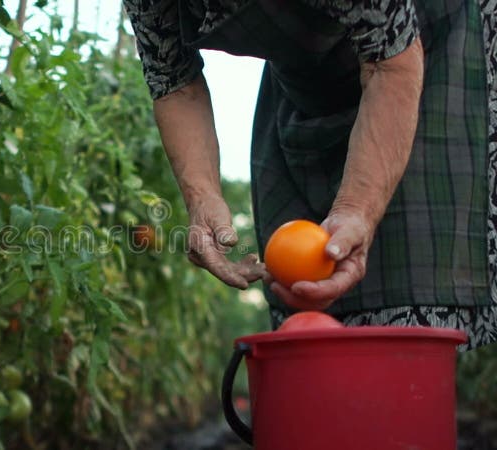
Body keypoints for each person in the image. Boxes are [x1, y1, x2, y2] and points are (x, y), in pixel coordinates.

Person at [123, 0, 497, 350]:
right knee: (310, 319)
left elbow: (391, 63)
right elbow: (174, 83)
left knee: (417, 288)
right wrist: (202, 196)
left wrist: (358, 208)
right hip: (308, 83)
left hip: (428, 50)